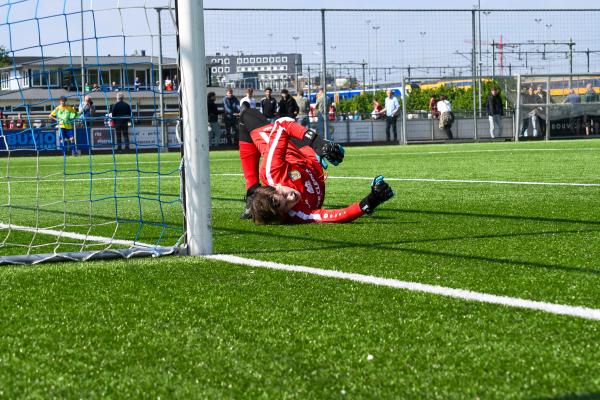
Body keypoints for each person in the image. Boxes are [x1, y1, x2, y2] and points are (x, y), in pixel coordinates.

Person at [238, 108, 394, 224]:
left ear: (276, 187)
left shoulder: (272, 171)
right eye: (287, 205)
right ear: (284, 214)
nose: (291, 197)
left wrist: (318, 143)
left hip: (291, 154)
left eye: (284, 195)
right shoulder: (298, 214)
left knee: (247, 115)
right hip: (308, 161)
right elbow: (336, 215)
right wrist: (370, 202)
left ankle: (252, 191)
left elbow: (282, 124)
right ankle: (253, 196)